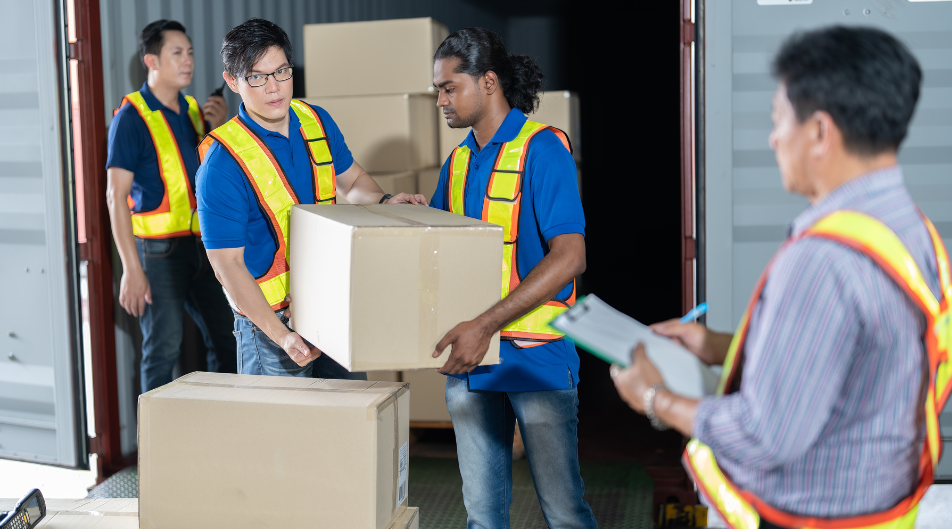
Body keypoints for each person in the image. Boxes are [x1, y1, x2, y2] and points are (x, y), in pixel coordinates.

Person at [611, 26, 952, 528]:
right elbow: (857, 359)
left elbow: (765, 434)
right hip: (882, 509)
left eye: (778, 120)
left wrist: (652, 398)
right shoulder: (910, 229)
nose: (773, 138)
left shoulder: (821, 260)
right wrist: (722, 346)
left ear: (819, 131)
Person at [429, 28, 597, 529]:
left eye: (448, 87)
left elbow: (570, 257)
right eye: (437, 89)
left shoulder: (543, 149)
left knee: (564, 512)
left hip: (536, 358)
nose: (440, 100)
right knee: (482, 517)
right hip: (471, 360)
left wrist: (484, 324)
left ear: (488, 82)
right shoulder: (458, 161)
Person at [196, 19, 427, 379]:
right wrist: (283, 337)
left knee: (348, 424)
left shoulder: (315, 120)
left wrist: (384, 201)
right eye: (257, 77)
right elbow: (228, 267)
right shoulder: (222, 163)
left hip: (329, 307)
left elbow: (351, 183)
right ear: (232, 81)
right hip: (270, 326)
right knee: (284, 434)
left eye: (281, 72)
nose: (274, 88)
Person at [106, 20, 234, 393]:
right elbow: (115, 196)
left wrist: (215, 127)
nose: (188, 60)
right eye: (176, 53)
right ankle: (155, 450)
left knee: (227, 340)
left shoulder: (195, 111)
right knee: (162, 350)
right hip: (158, 254)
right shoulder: (130, 119)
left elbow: (203, 176)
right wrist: (131, 268)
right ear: (152, 61)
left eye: (190, 52)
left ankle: (221, 429)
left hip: (201, 247)